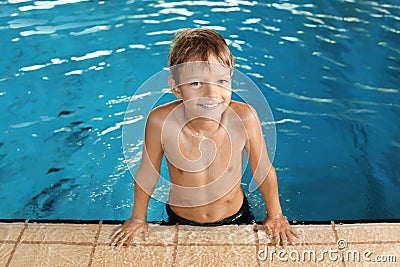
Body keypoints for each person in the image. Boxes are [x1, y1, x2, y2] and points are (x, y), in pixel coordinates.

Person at [111, 28, 297, 248]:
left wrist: (275, 215)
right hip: (181, 217)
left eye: (221, 81)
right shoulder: (161, 122)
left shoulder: (244, 118)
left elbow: (263, 169)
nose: (212, 94)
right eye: (197, 83)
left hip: (235, 215)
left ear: (231, 80)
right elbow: (148, 172)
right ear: (177, 88)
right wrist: (137, 218)